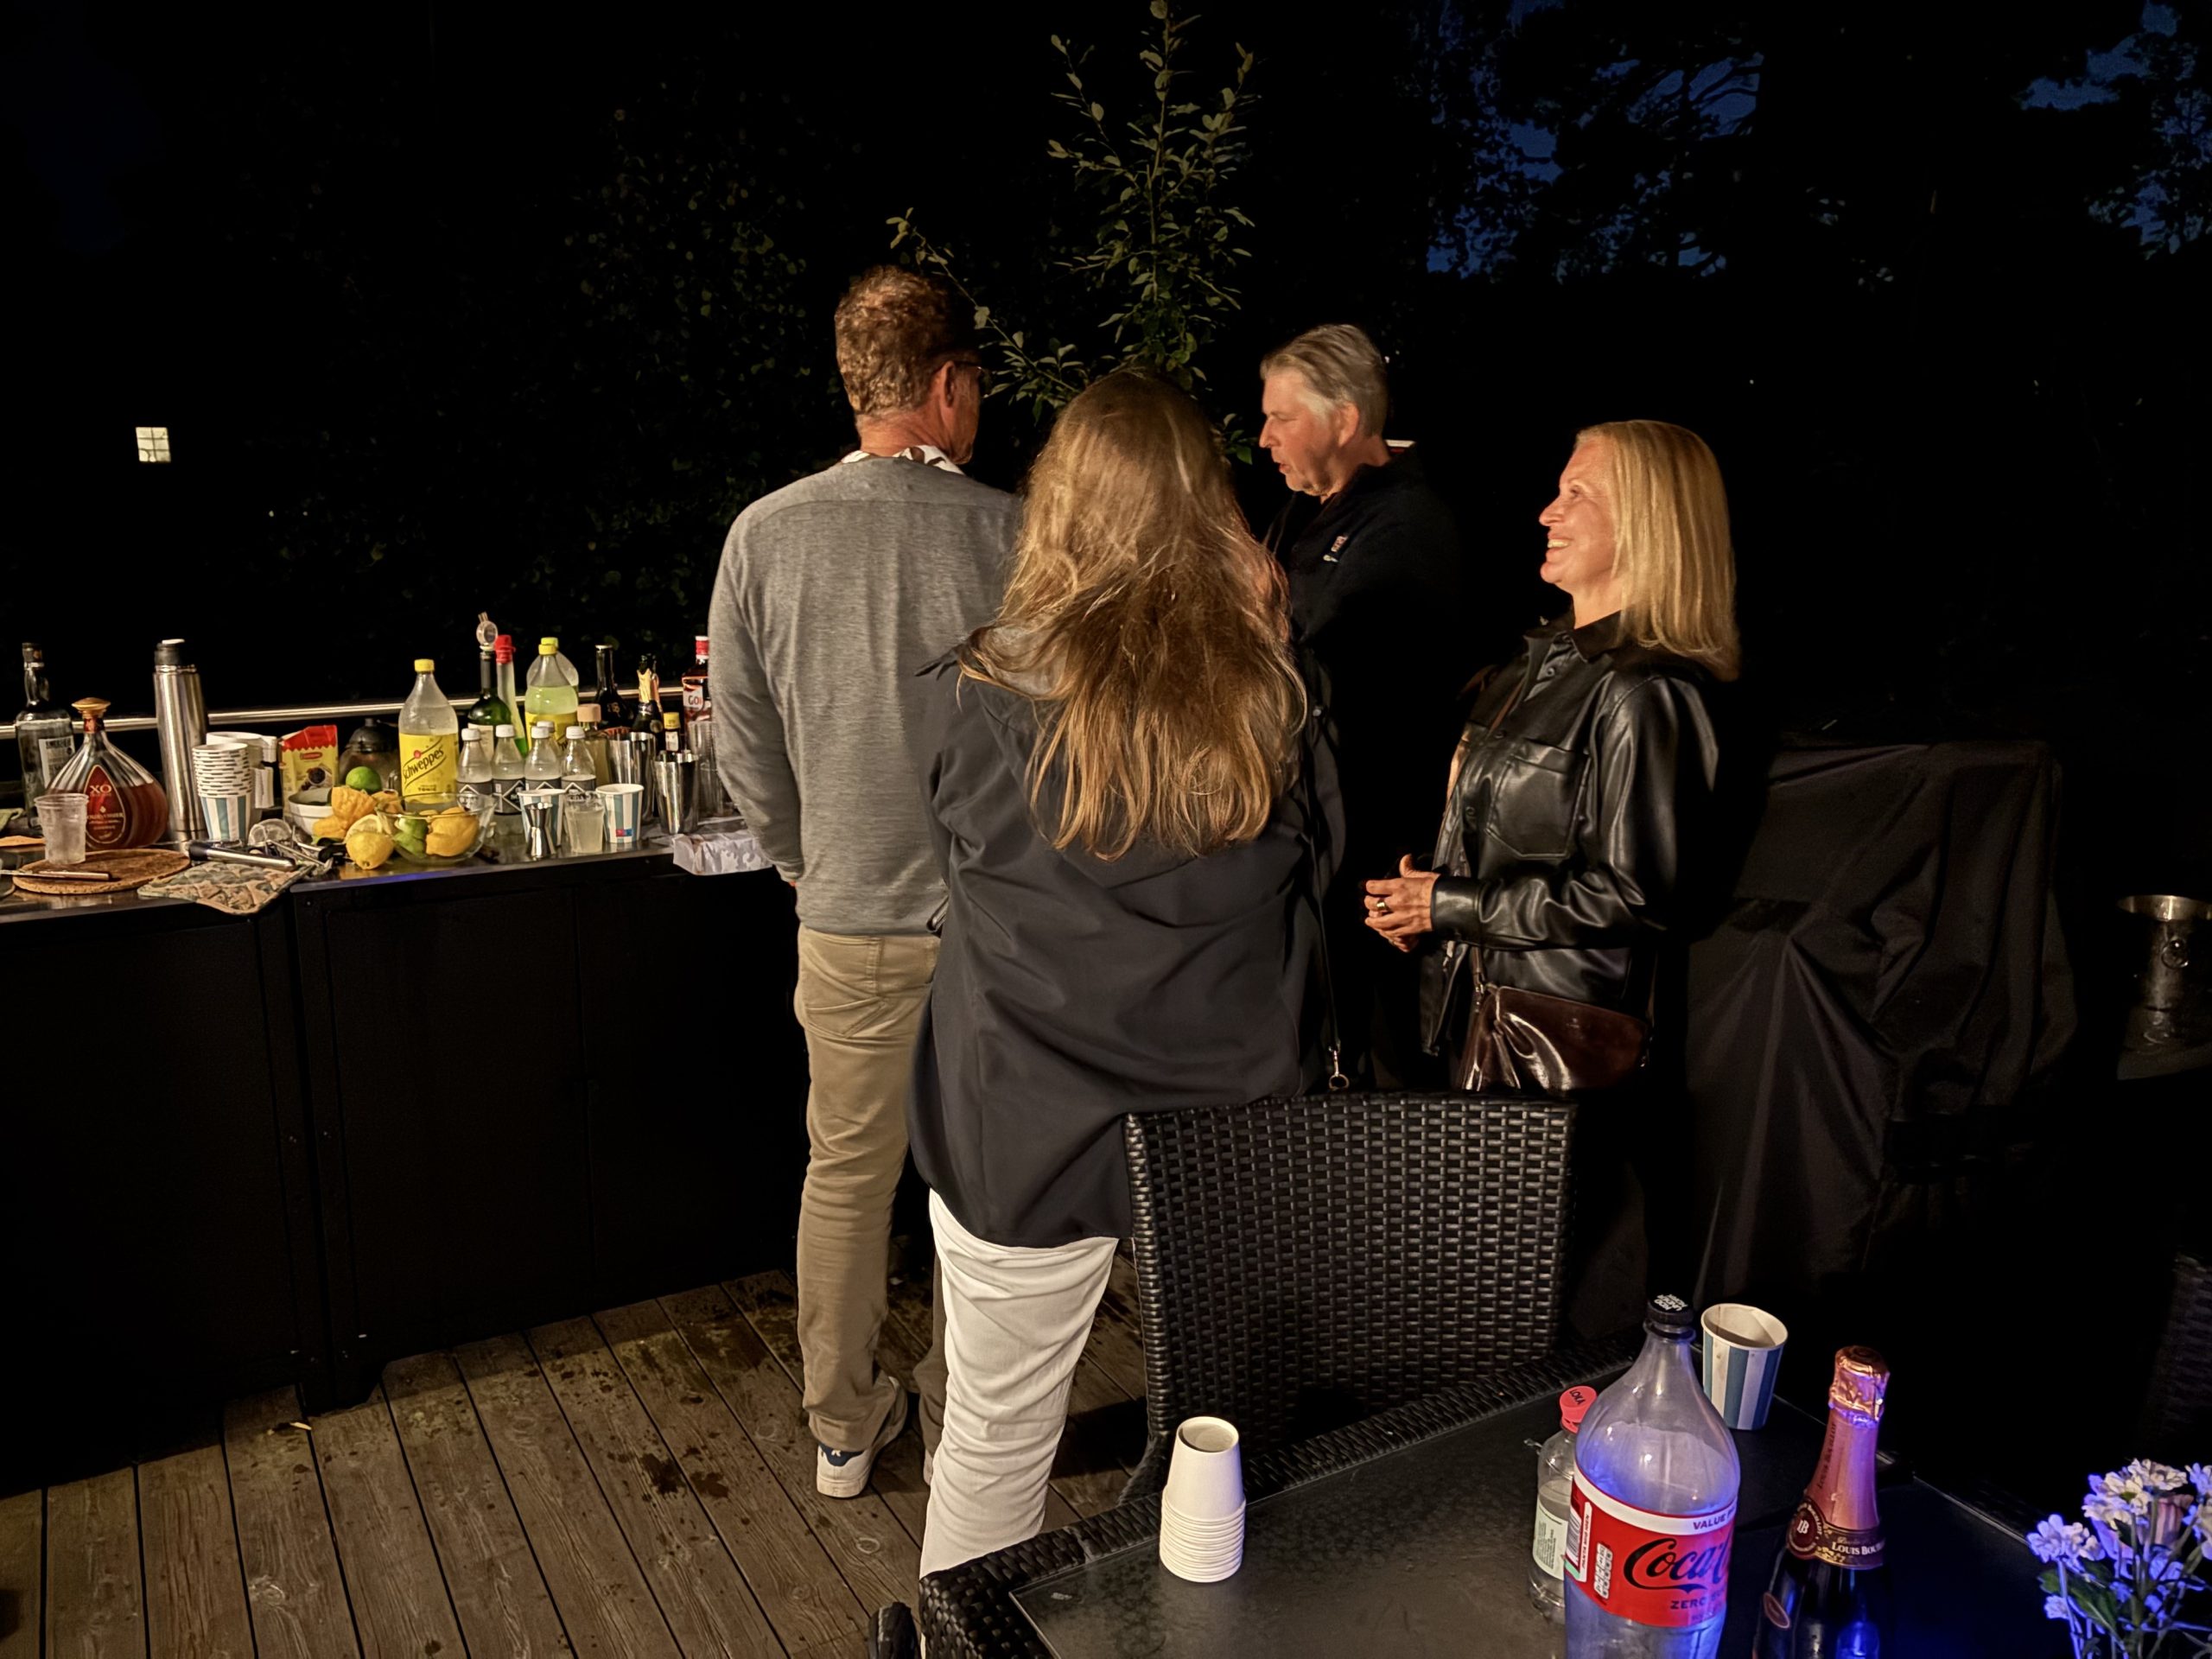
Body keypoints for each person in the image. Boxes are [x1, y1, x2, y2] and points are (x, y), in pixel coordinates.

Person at [906, 369, 1338, 1576]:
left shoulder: (978, 691)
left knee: (994, 1440)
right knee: (1222, 1441)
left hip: (1022, 1118)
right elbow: (1321, 874)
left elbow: (955, 865)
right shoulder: (1275, 698)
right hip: (1224, 1122)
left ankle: (966, 1649)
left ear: (1055, 506)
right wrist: (1272, 640)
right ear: (1210, 509)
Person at [709, 265, 1017, 1497]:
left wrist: (808, 862)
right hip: (998, 927)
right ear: (947, 385)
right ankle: (968, 1423)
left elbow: (743, 740)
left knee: (845, 1175)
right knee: (982, 1182)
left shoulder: (764, 534)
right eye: (974, 386)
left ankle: (842, 1427)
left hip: (848, 918)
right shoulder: (1013, 533)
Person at [1362, 418, 1738, 1331]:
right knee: (1459, 1297)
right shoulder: (1538, 665)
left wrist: (1451, 904)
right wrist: (1426, 906)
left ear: (1645, 522)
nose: (1547, 512)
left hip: (1552, 1057)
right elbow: (1503, 841)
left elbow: (1642, 894)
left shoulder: (1647, 690)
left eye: (1578, 494)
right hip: (1468, 1029)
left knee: (1525, 1310)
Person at [1259, 324, 1463, 1085]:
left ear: (1345, 419)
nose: (1265, 438)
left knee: (1383, 1058)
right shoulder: (1304, 513)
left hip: (1378, 856)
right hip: (1319, 838)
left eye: (1282, 418)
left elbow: (1350, 674)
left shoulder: (1407, 522)